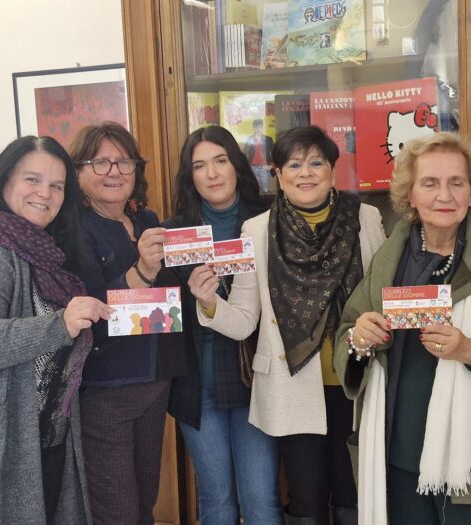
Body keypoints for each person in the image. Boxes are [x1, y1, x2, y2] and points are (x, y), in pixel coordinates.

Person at [335, 132, 471, 525]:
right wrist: (360, 336)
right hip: (396, 453)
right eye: (430, 183)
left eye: (456, 182)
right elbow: (350, 331)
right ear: (410, 194)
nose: (444, 195)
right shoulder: (389, 256)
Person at [190, 125, 387, 524]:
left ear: (332, 169)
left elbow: (382, 296)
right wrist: (209, 303)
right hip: (292, 384)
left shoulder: (365, 219)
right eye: (294, 165)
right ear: (278, 175)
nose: (305, 173)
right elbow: (244, 320)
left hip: (356, 378)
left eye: (316, 162)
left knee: (354, 493)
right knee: (305, 499)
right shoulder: (257, 230)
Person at [0, 136, 111, 524]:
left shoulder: (38, 249)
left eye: (57, 186)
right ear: (4, 180)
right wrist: (59, 324)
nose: (45, 194)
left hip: (34, 439)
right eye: (32, 180)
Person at [159, 125, 281, 524]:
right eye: (199, 166)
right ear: (190, 176)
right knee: (216, 500)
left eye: (220, 161)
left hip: (256, 380)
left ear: (236, 166)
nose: (212, 173)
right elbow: (165, 315)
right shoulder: (174, 233)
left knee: (261, 499)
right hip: (198, 383)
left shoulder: (267, 220)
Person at [68, 122, 187, 524]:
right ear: (78, 171)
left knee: (144, 503)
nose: (115, 171)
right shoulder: (74, 231)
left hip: (155, 383)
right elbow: (89, 316)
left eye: (124, 162)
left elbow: (168, 300)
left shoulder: (147, 220)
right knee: (116, 512)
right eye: (100, 162)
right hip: (107, 390)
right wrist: (143, 271)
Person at [243, 118, 274, 193]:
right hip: (253, 167)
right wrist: (247, 167)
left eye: (260, 127)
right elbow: (245, 153)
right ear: (254, 128)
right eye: (256, 127)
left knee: (265, 190)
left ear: (262, 127)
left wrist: (271, 166)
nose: (258, 129)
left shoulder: (268, 139)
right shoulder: (249, 139)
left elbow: (274, 153)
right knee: (254, 189)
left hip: (264, 167)